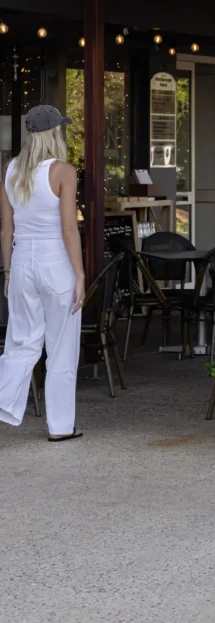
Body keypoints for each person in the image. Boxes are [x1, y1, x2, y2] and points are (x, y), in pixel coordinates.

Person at [0, 106, 85, 441]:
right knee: (61, 348)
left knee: (21, 343)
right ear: (54, 133)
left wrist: (8, 273)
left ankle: (4, 399)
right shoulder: (63, 171)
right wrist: (80, 275)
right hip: (56, 262)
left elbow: (6, 230)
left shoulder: (11, 170)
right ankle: (60, 428)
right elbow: (69, 230)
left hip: (22, 260)